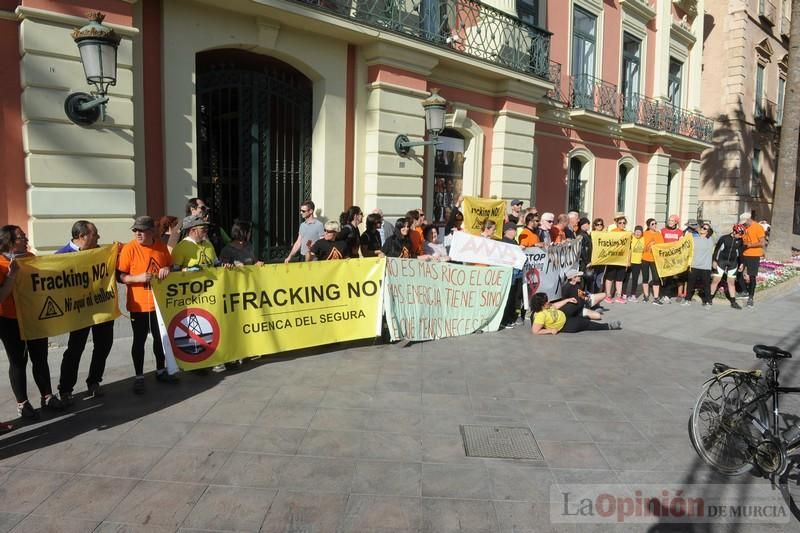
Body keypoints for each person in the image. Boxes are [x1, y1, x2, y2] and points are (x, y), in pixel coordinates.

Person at [0, 225, 65, 419]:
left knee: (40, 357)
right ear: (9, 242)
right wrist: (11, 275)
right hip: (9, 319)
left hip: (34, 316)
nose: (26, 239)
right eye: (21, 237)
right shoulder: (1, 263)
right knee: (18, 361)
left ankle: (47, 396)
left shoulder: (29, 257)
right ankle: (23, 403)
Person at [56, 220, 114, 403]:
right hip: (78, 311)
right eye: (94, 234)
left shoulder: (100, 251)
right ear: (82, 237)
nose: (98, 237)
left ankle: (94, 381)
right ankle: (65, 389)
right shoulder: (61, 256)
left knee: (104, 345)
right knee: (75, 349)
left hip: (101, 307)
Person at [118, 216, 177, 394]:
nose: (137, 233)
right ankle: (139, 376)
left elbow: (170, 266)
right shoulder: (129, 248)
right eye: (135, 230)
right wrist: (137, 278)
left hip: (158, 304)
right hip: (138, 305)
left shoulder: (160, 247)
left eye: (141, 230)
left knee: (160, 339)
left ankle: (160, 370)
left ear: (151, 231)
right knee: (139, 340)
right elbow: (119, 276)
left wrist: (168, 269)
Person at [530, 292, 621, 335]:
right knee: (585, 323)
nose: (548, 301)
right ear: (541, 305)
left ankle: (588, 306)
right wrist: (550, 331)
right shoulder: (540, 316)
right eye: (546, 301)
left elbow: (554, 306)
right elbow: (535, 331)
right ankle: (607, 326)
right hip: (564, 325)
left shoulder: (547, 306)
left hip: (563, 313)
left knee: (576, 300)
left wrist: (567, 300)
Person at [711, 224, 745, 309]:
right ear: (734, 231)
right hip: (722, 261)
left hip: (733, 262)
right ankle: (709, 299)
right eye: (739, 234)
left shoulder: (740, 240)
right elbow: (716, 249)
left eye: (741, 235)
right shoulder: (724, 238)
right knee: (716, 280)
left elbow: (741, 253)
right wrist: (714, 260)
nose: (740, 236)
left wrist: (742, 263)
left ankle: (733, 302)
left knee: (731, 283)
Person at [685, 223, 714, 307]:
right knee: (690, 284)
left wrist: (709, 226)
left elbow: (717, 232)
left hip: (705, 267)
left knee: (706, 286)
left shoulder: (711, 239)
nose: (702, 229)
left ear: (708, 231)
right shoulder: (694, 239)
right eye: (702, 227)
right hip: (694, 265)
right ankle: (687, 299)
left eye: (705, 228)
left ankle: (708, 301)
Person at [740, 211, 766, 308]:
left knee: (752, 276)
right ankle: (744, 291)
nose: (743, 224)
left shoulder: (758, 227)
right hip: (744, 254)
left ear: (748, 219)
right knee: (738, 272)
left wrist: (750, 245)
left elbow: (762, 243)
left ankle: (751, 297)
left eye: (744, 222)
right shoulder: (744, 227)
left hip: (754, 255)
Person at [500, 222, 522, 329]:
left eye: (515, 229)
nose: (515, 231)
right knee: (508, 297)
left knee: (514, 296)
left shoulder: (514, 241)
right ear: (507, 231)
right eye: (513, 229)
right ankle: (504, 320)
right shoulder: (503, 242)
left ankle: (510, 318)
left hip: (517, 272)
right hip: (509, 272)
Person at [603, 213, 628, 304]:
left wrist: (628, 261)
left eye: (624, 223)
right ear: (617, 223)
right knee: (610, 277)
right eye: (620, 222)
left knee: (620, 279)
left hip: (621, 259)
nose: (622, 224)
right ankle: (608, 295)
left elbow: (628, 248)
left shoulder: (626, 233)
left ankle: (618, 296)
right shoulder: (612, 232)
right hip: (612, 259)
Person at [641, 218, 665, 305]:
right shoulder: (644, 234)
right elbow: (641, 245)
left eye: (655, 223)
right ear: (648, 226)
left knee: (656, 278)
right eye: (652, 224)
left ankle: (656, 298)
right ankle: (646, 296)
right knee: (645, 278)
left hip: (655, 259)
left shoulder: (658, 234)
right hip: (645, 258)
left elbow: (661, 246)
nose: (655, 225)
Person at [623, 225, 644, 302]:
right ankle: (624, 294)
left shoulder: (643, 239)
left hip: (638, 262)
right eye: (636, 231)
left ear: (642, 233)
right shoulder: (631, 238)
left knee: (635, 279)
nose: (638, 233)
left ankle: (633, 295)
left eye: (640, 232)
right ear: (634, 232)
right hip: (629, 262)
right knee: (626, 278)